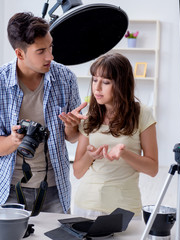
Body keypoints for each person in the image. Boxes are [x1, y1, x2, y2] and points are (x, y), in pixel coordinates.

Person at [0, 12, 87, 213]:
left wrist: (72, 127)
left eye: (51, 47)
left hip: (54, 186)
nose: (50, 56)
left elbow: (71, 138)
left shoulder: (66, 79)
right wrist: (13, 140)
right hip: (7, 188)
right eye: (41, 51)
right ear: (20, 54)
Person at [72, 53, 158, 218]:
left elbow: (152, 169)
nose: (97, 88)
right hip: (86, 205)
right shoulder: (90, 117)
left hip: (124, 208)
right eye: (95, 80)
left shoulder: (142, 114)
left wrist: (124, 154)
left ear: (121, 84)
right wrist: (90, 156)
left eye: (105, 82)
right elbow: (77, 172)